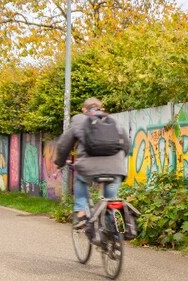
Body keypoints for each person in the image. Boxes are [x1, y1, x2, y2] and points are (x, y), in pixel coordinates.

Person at [52, 97, 130, 229]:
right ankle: (119, 229)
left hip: (89, 168)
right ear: (102, 108)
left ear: (84, 109)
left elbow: (64, 144)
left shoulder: (79, 120)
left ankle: (81, 212)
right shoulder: (113, 121)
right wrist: (119, 161)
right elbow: (127, 144)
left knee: (81, 180)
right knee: (112, 199)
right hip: (116, 167)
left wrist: (59, 163)